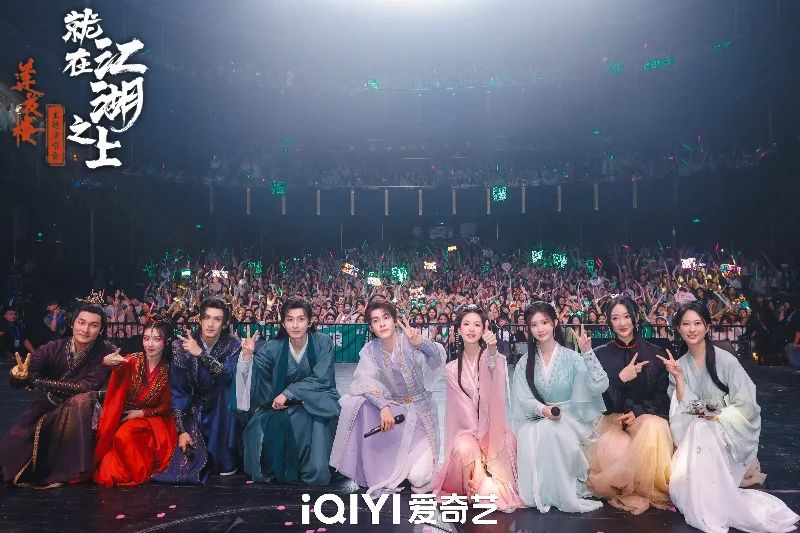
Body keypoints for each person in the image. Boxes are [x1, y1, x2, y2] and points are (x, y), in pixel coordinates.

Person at [662, 301, 799, 533]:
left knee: (702, 427)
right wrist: (680, 379)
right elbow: (682, 410)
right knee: (698, 427)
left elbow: (746, 405)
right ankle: (706, 502)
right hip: (695, 438)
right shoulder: (679, 366)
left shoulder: (726, 360)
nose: (692, 329)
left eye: (698, 323)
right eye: (686, 324)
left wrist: (713, 414)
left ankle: (710, 505)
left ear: (707, 327)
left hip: (727, 435)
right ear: (679, 329)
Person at [330, 299, 446, 496]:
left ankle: (412, 463)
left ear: (394, 320)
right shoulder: (370, 351)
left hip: (422, 414)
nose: (382, 324)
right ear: (371, 327)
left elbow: (437, 361)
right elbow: (363, 381)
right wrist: (383, 406)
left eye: (386, 318)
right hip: (398, 415)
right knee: (357, 401)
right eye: (376, 321)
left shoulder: (411, 340)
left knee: (419, 477)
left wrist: (422, 344)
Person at [0, 301, 116, 488]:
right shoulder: (53, 347)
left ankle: (73, 469)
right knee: (15, 441)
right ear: (73, 323)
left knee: (83, 399)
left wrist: (36, 381)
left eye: (93, 325)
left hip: (81, 411)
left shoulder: (106, 352)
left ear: (101, 329)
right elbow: (23, 377)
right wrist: (18, 376)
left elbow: (85, 386)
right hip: (48, 403)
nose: (85, 330)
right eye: (81, 322)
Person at [511, 301, 608, 513]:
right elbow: (523, 397)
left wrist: (587, 353)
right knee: (538, 431)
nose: (540, 329)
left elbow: (600, 385)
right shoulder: (525, 362)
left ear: (555, 323)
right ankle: (542, 493)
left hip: (571, 417)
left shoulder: (572, 358)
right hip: (539, 417)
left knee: (551, 430)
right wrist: (542, 410)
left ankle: (565, 491)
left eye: (545, 322)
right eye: (534, 325)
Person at [235, 298, 340, 485]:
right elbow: (257, 376)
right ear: (283, 323)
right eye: (290, 320)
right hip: (282, 406)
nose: (295, 325)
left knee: (317, 429)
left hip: (316, 403)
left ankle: (315, 466)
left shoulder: (323, 343)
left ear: (310, 321)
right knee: (257, 427)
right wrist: (247, 356)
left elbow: (322, 379)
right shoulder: (272, 348)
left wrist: (289, 393)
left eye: (301, 319)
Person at [586, 296, 672, 514]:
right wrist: (619, 379)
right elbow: (597, 400)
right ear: (609, 322)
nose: (622, 323)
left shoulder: (655, 353)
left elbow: (663, 398)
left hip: (645, 417)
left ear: (635, 318)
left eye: (626, 316)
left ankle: (651, 489)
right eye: (616, 318)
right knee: (614, 450)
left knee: (654, 427)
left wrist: (638, 411)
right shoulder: (600, 355)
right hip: (611, 420)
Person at [432, 306, 522, 513]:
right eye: (466, 324)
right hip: (468, 431)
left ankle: (487, 482)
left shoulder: (494, 358)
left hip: (493, 428)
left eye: (477, 324)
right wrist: (479, 438)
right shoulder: (451, 368)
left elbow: (495, 382)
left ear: (484, 329)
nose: (471, 329)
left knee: (508, 441)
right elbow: (460, 411)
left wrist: (492, 350)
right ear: (458, 329)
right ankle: (471, 485)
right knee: (463, 448)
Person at [152, 298, 242, 484]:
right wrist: (181, 430)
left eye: (217, 319)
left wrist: (200, 354)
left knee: (226, 392)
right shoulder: (180, 346)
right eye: (206, 318)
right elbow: (178, 391)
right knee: (185, 463)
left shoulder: (233, 345)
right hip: (193, 407)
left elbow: (226, 377)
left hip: (221, 406)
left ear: (225, 323)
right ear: (199, 320)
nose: (210, 324)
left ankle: (225, 458)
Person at [93, 318, 176, 487]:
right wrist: (107, 362)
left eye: (156, 339)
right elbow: (119, 367)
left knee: (124, 436)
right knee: (109, 470)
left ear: (166, 341)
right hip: (124, 417)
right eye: (146, 338)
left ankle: (142, 468)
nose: (150, 344)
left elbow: (166, 406)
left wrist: (141, 413)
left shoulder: (168, 369)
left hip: (151, 420)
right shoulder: (133, 360)